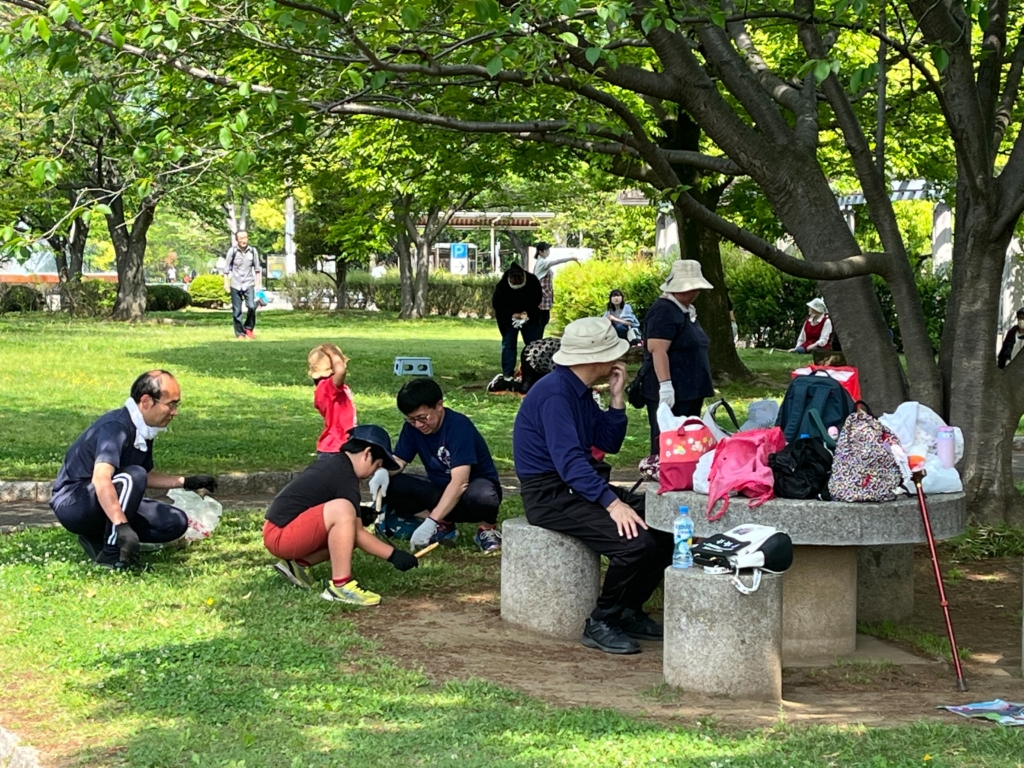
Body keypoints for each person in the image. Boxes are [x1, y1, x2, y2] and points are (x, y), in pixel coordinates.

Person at [514, 317, 673, 655]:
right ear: (596, 358)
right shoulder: (555, 394)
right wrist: (613, 504)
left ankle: (628, 609)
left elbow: (608, 441)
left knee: (665, 525)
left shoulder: (578, 390)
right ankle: (602, 621)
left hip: (578, 484)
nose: (620, 357)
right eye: (614, 352)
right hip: (550, 494)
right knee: (634, 543)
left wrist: (616, 399)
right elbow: (569, 462)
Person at [49, 370, 219, 569]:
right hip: (74, 503)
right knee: (133, 476)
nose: (175, 412)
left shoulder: (144, 428)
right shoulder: (116, 427)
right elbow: (102, 479)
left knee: (175, 522)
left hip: (104, 499)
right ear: (146, 401)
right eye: (170, 405)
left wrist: (185, 482)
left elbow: (143, 475)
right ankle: (112, 553)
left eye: (177, 405)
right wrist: (122, 525)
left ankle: (96, 537)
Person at [263, 425, 418, 606]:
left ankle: (297, 564)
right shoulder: (345, 475)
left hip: (280, 531)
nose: (373, 473)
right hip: (280, 535)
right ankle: (341, 586)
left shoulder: (338, 466)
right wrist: (393, 555)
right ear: (367, 453)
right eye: (377, 466)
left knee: (346, 529)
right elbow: (358, 534)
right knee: (344, 510)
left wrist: (359, 513)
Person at [373, 378, 503, 553]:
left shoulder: (459, 427)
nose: (418, 425)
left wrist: (430, 522)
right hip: (440, 491)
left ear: (439, 405)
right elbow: (400, 460)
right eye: (411, 420)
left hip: (470, 492)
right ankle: (444, 525)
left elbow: (460, 482)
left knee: (483, 496)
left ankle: (486, 528)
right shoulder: (412, 428)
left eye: (422, 418)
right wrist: (383, 472)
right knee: (392, 485)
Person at [641, 260, 715, 454]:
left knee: (688, 444)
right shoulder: (663, 310)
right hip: (674, 390)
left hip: (690, 389)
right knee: (670, 443)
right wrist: (666, 386)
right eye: (691, 289)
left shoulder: (685, 310)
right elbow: (657, 349)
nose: (695, 293)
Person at [491, 262, 543, 381]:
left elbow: (537, 298)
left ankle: (534, 371)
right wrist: (512, 315)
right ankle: (508, 374)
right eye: (514, 280)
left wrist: (526, 313)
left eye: (519, 279)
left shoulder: (532, 281)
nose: (516, 282)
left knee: (533, 345)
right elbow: (498, 305)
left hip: (530, 317)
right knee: (509, 345)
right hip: (508, 319)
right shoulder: (502, 286)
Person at [308, 344, 357, 456]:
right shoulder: (327, 388)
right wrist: (333, 352)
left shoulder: (326, 389)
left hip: (338, 444)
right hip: (335, 446)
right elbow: (341, 371)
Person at [221, 230, 263, 340]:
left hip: (249, 283)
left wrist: (258, 284)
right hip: (235, 283)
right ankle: (240, 333)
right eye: (241, 238)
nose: (244, 240)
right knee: (237, 310)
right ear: (237, 240)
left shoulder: (253, 251)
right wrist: (226, 283)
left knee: (252, 306)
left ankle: (248, 328)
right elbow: (226, 269)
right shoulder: (232, 251)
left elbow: (257, 269)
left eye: (245, 238)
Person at [532, 242, 578, 335]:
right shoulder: (542, 262)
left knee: (544, 320)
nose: (548, 251)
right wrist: (571, 258)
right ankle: (537, 339)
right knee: (542, 320)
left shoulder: (542, 261)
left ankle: (537, 338)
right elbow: (556, 261)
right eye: (546, 250)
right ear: (540, 252)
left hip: (545, 295)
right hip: (542, 296)